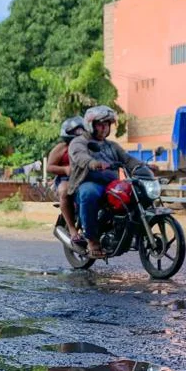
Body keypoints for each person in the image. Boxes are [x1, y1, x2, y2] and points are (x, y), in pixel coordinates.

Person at [68, 105, 146, 259]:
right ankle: (91, 239)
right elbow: (80, 156)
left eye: (107, 125)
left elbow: (128, 159)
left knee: (136, 192)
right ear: (91, 125)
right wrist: (92, 163)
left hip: (112, 184)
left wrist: (144, 166)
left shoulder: (112, 146)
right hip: (88, 182)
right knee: (89, 194)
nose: (104, 129)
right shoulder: (79, 142)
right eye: (101, 125)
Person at [47, 116, 87, 241]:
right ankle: (72, 229)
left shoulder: (89, 147)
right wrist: (65, 169)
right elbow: (49, 167)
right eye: (75, 132)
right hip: (65, 179)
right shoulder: (61, 148)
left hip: (86, 179)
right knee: (65, 191)